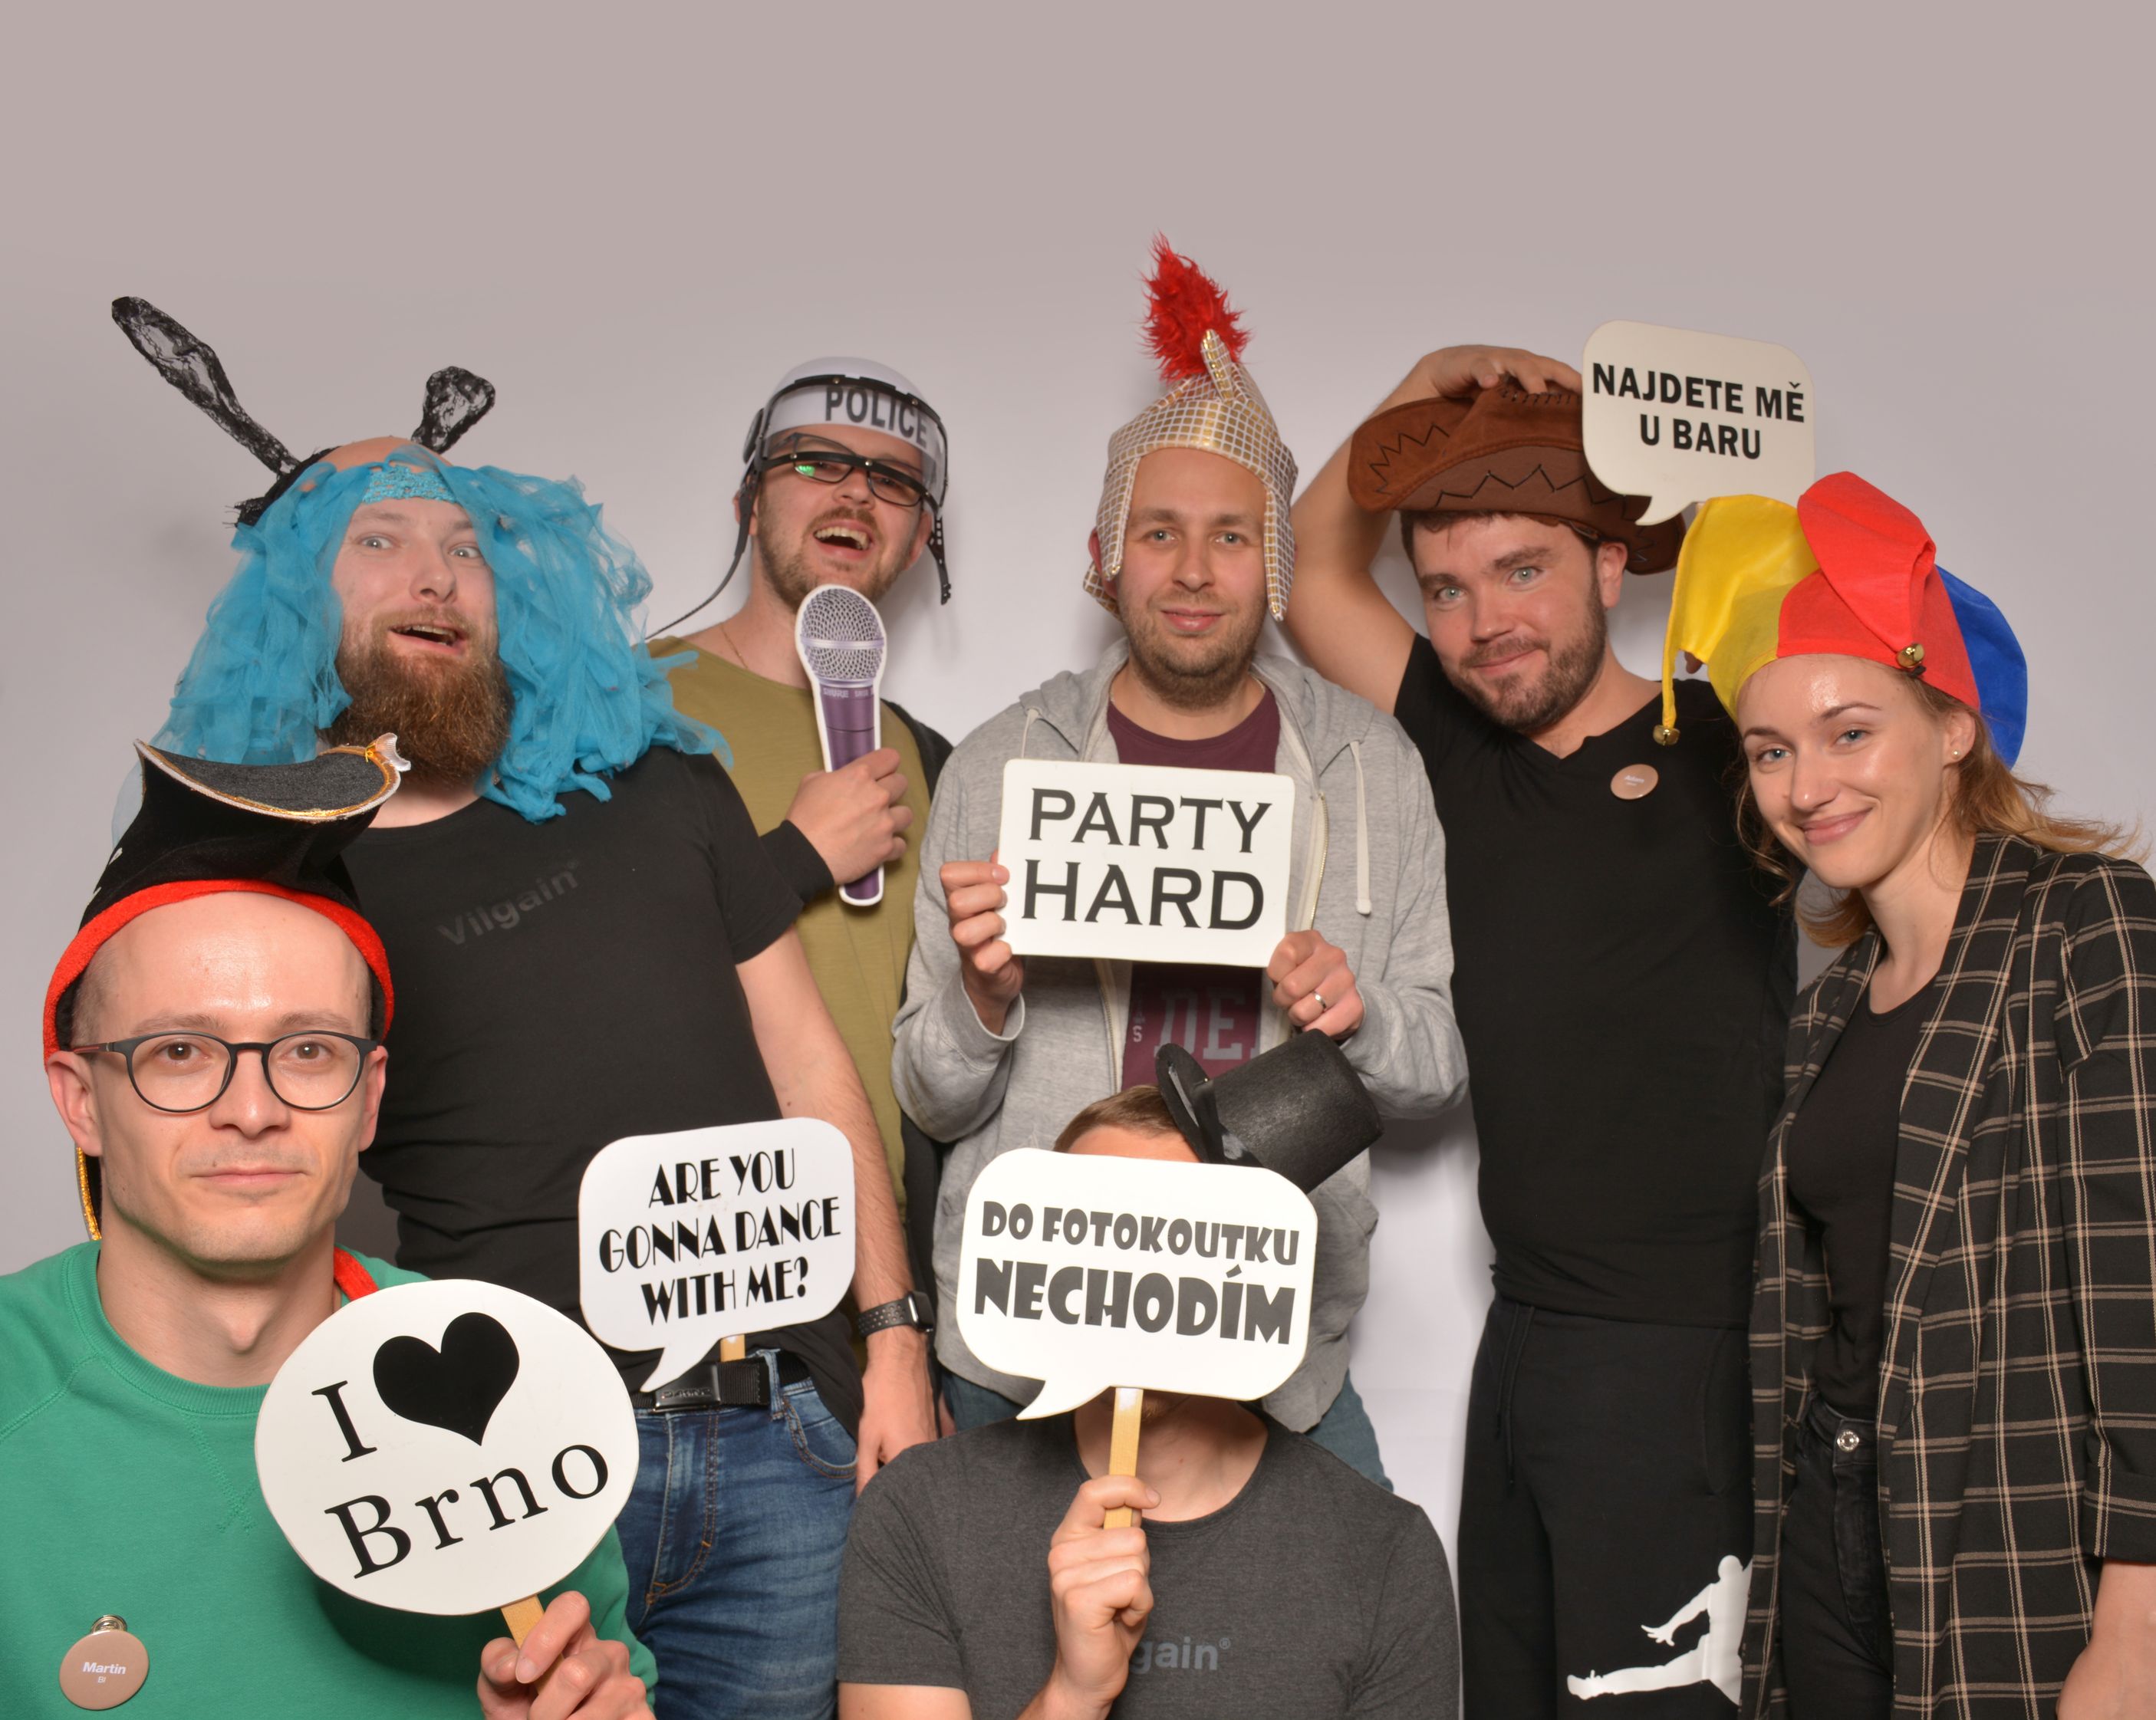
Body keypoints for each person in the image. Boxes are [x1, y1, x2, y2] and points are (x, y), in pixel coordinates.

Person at [119, 301, 935, 1719]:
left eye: (467, 546)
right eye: (379, 541)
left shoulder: (661, 780)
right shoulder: (272, 875)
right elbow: (210, 1141)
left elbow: (812, 1069)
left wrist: (897, 1341)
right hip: (504, 1461)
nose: (435, 576)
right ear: (299, 597)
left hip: (785, 1437)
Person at [896, 244, 1465, 1484]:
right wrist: (982, 998)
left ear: (1273, 561)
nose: (1194, 571)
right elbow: (930, 1099)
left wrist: (1356, 1015)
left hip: (1270, 1336)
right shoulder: (1001, 764)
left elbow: (1434, 1072)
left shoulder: (1372, 767)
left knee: (1349, 1599)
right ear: (1107, 553)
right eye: (1159, 533)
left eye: (1229, 536)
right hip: (1031, 1334)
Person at [1287, 347, 1794, 1712]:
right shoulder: (1462, 752)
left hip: (1688, 1349)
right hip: (1523, 1346)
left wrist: (1646, 439)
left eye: (1521, 570)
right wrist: (1416, 385)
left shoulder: (1741, 747)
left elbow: (1867, 689)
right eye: (1446, 589)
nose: (1481, 622)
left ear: (1610, 563)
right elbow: (1309, 573)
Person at [11, 738, 653, 1718]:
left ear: (369, 1099)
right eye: (180, 1052)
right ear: (81, 1100)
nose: (253, 1110)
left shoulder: (519, 1390)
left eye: (309, 1051)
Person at [1667, 475, 2156, 1718]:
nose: (1804, 786)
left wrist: (2136, 1628)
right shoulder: (1830, 1005)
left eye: (1848, 731)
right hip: (1830, 1514)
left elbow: (2144, 1289)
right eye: (1770, 751)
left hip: (2014, 1529)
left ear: (1949, 727)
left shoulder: (2086, 926)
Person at [837, 1084, 1460, 1718]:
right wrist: (1072, 1695)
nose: (1135, 1278)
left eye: (1181, 1233)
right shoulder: (920, 1510)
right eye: (1100, 1229)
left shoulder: (1385, 1553)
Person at [655, 357, 955, 1302]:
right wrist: (792, 860)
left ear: (919, 541)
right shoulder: (621, 707)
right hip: (691, 1255)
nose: (857, 491)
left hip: (882, 1272)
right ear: (750, 504)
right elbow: (571, 979)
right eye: (815, 461)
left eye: (894, 480)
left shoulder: (936, 760)